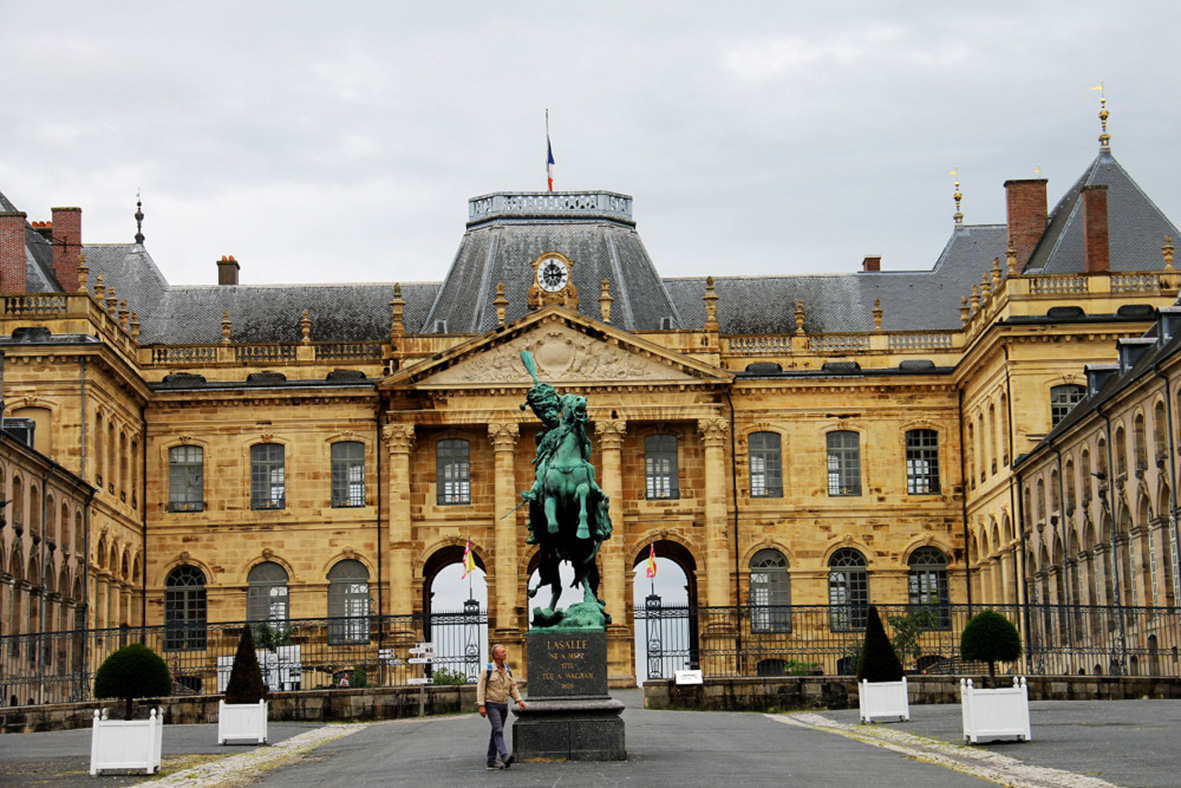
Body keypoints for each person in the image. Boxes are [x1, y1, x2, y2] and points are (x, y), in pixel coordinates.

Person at [477, 643, 527, 769]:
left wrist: (519, 700)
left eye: (505, 651)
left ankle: (491, 760)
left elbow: (513, 687)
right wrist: (481, 705)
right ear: (496, 655)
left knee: (496, 731)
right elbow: (480, 689)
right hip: (491, 704)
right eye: (502, 652)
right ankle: (504, 756)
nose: (505, 653)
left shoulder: (508, 670)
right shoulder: (487, 670)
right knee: (498, 730)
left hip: (503, 705)